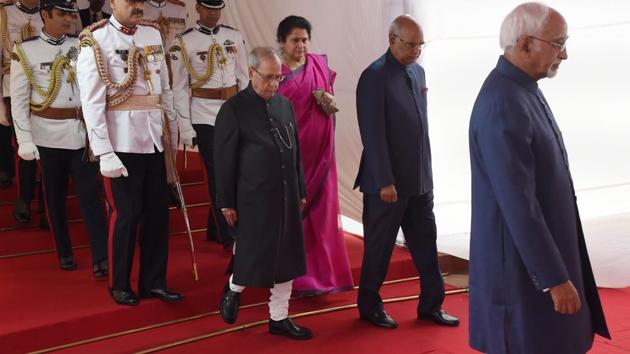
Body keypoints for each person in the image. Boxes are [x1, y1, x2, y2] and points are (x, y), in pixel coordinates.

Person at [468, 3, 609, 353]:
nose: (565, 53)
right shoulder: (504, 101)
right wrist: (554, 279)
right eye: (558, 42)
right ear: (525, 43)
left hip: (540, 254)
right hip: (519, 271)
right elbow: (519, 203)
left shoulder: (521, 88)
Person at [354, 15, 458, 329]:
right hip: (386, 183)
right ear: (392, 39)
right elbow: (372, 133)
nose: (415, 51)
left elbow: (420, 129)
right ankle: (369, 306)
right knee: (379, 248)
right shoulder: (374, 76)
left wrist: (427, 177)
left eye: (419, 45)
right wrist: (385, 179)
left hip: (419, 180)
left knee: (427, 245)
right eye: (409, 44)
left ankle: (431, 305)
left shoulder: (418, 71)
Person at [76, 0, 182, 306]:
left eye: (140, 1)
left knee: (157, 215)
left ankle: (154, 282)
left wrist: (173, 127)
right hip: (120, 143)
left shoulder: (152, 34)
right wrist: (103, 151)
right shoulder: (96, 41)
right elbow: (92, 103)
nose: (137, 6)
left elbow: (164, 87)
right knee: (127, 214)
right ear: (112, 2)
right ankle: (119, 283)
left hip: (154, 139)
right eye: (130, 1)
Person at [216, 47, 312, 340]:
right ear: (251, 73)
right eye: (268, 78)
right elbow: (223, 161)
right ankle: (234, 289)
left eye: (278, 78)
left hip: (287, 194)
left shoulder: (284, 104)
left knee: (288, 257)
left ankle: (279, 317)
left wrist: (300, 188)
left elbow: (294, 150)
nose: (274, 84)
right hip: (253, 197)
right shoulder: (233, 109)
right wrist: (226, 203)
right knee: (252, 252)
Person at [10, 0, 108, 276]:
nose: (68, 19)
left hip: (81, 133)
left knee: (91, 195)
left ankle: (101, 256)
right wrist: (25, 139)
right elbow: (19, 102)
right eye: (61, 14)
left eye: (70, 14)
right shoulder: (25, 50)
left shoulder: (84, 45)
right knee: (54, 198)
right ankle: (64, 251)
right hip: (47, 135)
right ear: (45, 14)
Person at [275, 15, 353, 295]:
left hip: (321, 153)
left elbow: (331, 104)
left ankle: (324, 275)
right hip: (291, 157)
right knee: (294, 214)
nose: (301, 45)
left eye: (305, 39)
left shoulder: (318, 65)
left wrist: (330, 101)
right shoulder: (275, 72)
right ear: (281, 42)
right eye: (295, 40)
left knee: (323, 215)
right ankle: (293, 275)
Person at [169, 0, 247, 248]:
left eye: (217, 8)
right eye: (209, 8)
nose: (214, 13)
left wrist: (250, 115)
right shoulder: (184, 42)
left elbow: (243, 77)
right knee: (217, 174)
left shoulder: (233, 36)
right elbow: (179, 88)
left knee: (238, 170)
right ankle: (228, 234)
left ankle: (216, 227)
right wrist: (186, 127)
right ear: (198, 9)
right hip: (204, 115)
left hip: (234, 112)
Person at [0, 0, 44, 223]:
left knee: (48, 149)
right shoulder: (4, 14)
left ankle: (46, 204)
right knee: (24, 147)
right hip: (13, 89)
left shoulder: (51, 12)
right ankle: (24, 199)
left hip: (47, 90)